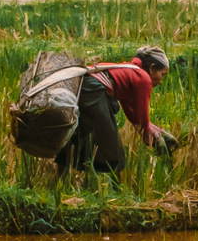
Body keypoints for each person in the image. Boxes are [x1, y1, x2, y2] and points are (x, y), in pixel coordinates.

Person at [57, 45, 175, 176]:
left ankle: (60, 180)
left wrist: (151, 128)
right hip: (94, 91)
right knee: (110, 144)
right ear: (152, 68)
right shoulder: (143, 78)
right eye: (162, 74)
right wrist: (146, 131)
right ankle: (116, 187)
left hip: (85, 87)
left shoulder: (129, 71)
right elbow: (142, 112)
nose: (161, 80)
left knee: (76, 134)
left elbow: (131, 111)